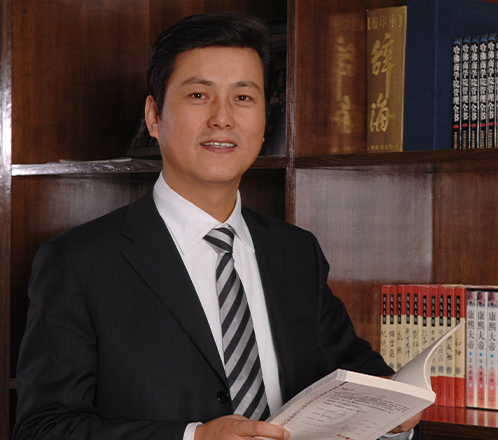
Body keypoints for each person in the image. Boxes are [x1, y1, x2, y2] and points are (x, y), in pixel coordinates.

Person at [13, 13, 422, 440]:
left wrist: (395, 414)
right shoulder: (79, 262)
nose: (222, 118)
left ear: (264, 121)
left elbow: (358, 373)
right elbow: (44, 428)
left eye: (243, 97)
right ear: (153, 116)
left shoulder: (296, 252)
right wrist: (194, 437)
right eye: (198, 95)